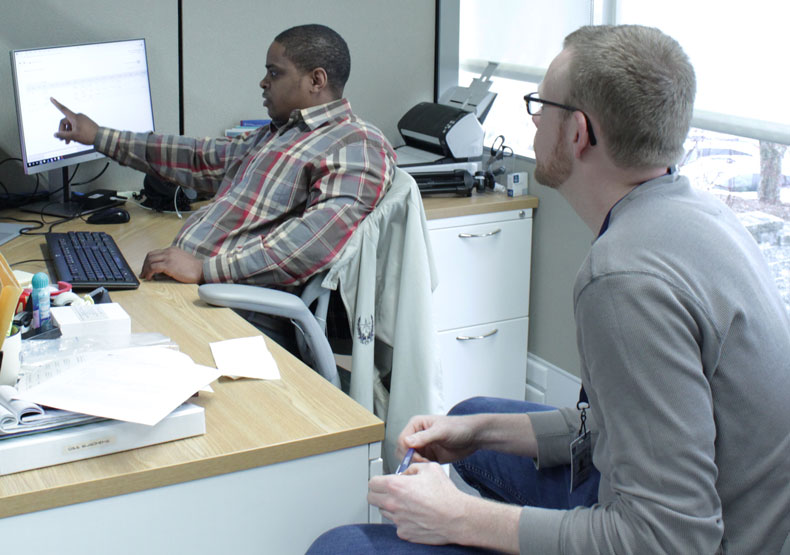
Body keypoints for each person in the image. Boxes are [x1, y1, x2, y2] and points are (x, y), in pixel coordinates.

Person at [306, 25, 790, 554]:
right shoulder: (700, 215)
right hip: (712, 501)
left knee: (342, 546)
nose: (534, 120)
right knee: (468, 417)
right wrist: (483, 432)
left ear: (578, 132)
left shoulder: (625, 281)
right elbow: (627, 419)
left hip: (693, 539)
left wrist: (458, 519)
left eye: (540, 105)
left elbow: (669, 539)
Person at [52, 24, 395, 292]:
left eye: (274, 73)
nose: (263, 82)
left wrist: (205, 269)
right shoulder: (280, 133)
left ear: (316, 80)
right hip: (196, 288)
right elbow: (198, 158)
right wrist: (97, 136)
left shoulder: (355, 145)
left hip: (235, 304)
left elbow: (309, 247)